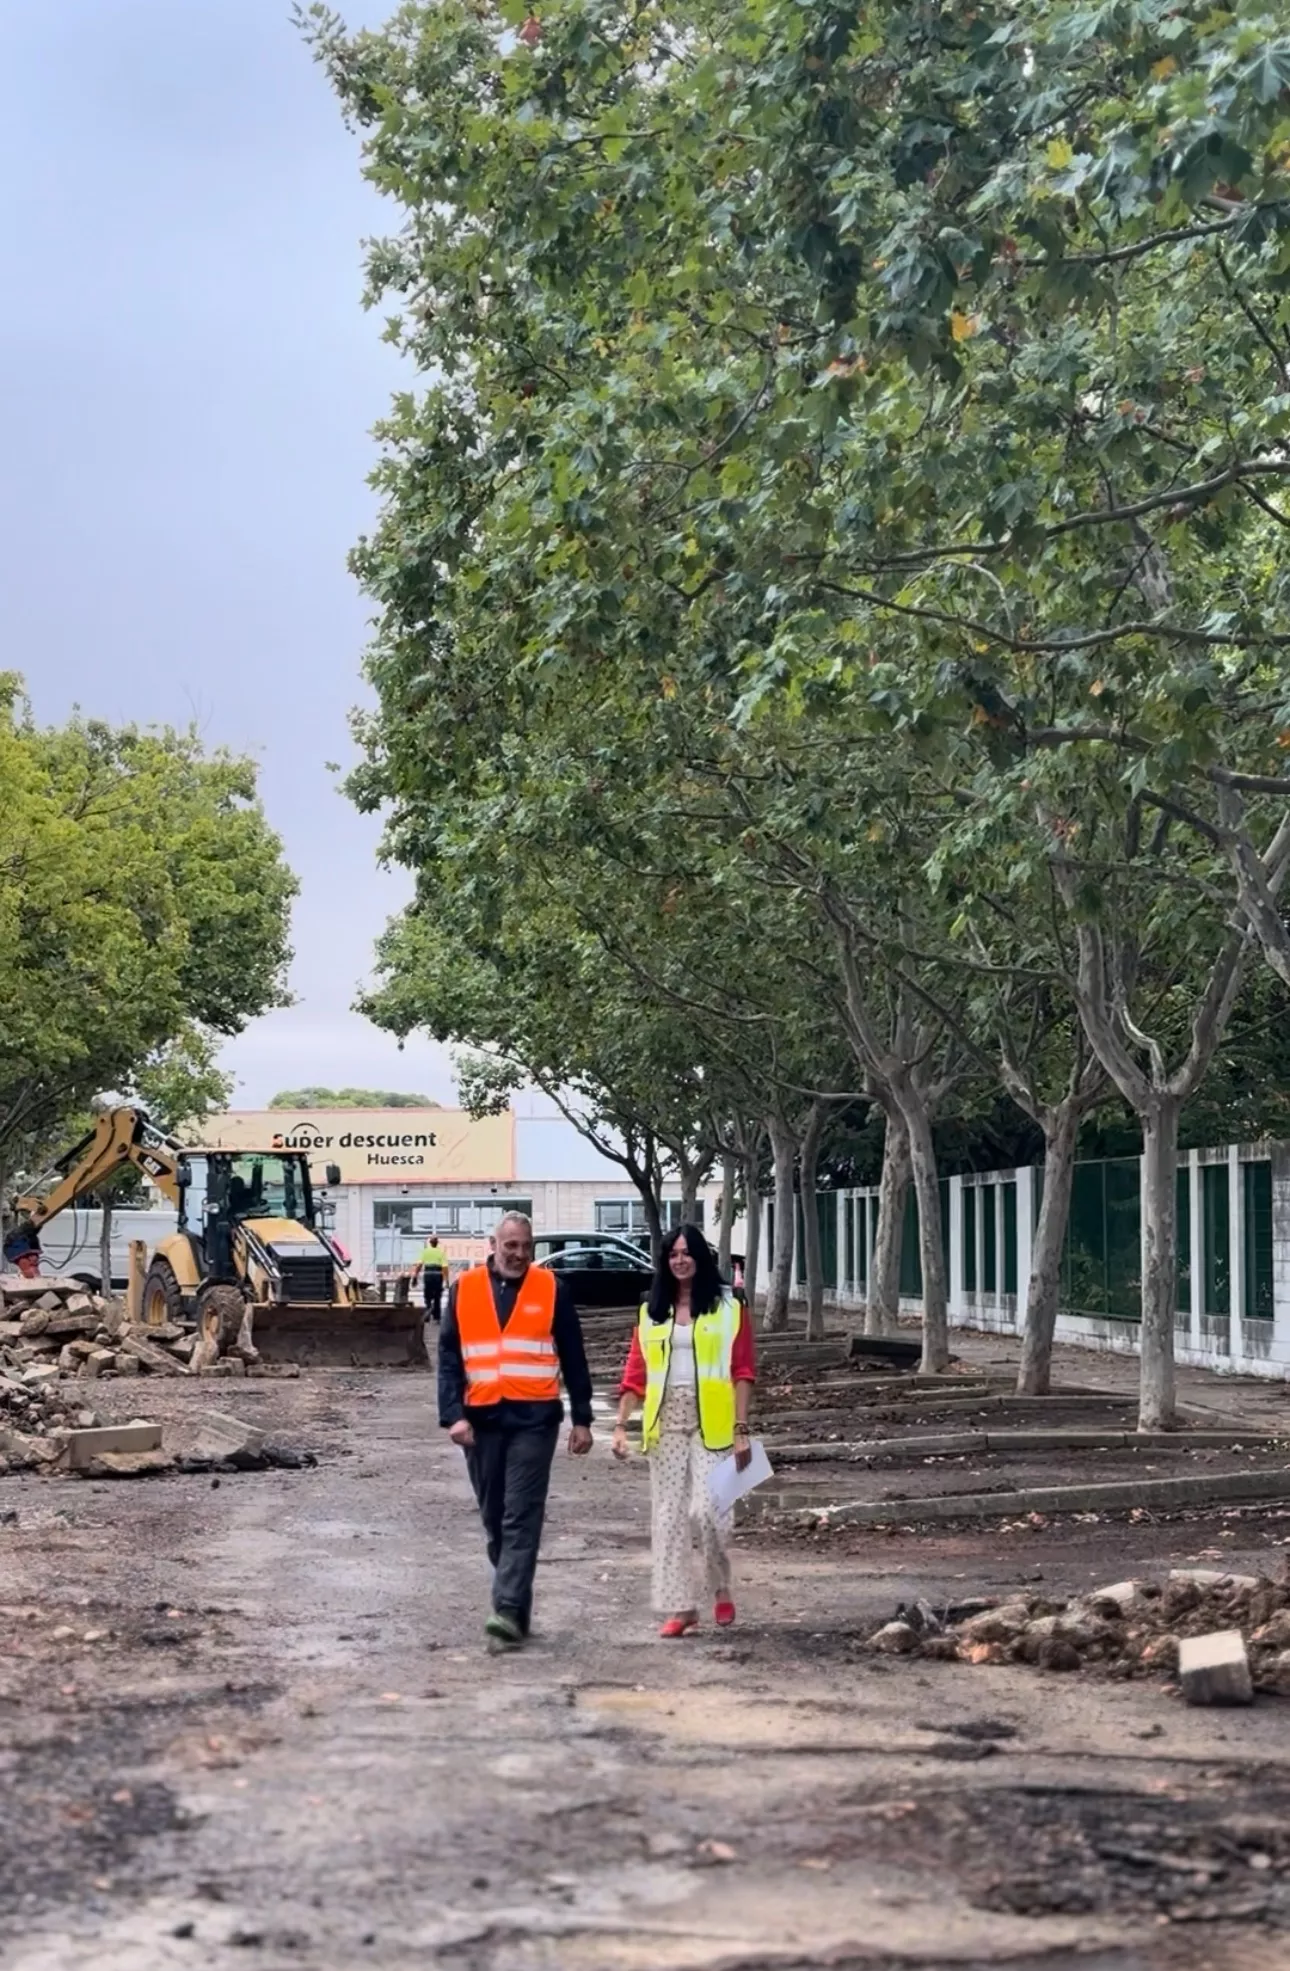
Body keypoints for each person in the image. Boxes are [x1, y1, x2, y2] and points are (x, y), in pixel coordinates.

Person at [438, 1212, 594, 1651]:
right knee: (494, 1518)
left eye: (526, 1246)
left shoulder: (552, 1289)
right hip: (481, 1420)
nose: (520, 1254)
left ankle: (505, 1608)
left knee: (520, 1514)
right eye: (511, 1246)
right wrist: (453, 1416)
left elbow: (574, 1356)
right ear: (493, 1245)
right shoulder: (465, 1288)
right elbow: (449, 1357)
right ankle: (516, 1607)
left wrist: (582, 1418)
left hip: (535, 1420)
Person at [613, 1223, 756, 1637]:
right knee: (669, 1517)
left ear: (700, 1257)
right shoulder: (650, 1309)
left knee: (710, 1512)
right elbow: (636, 1372)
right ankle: (681, 1607)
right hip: (665, 1424)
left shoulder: (730, 1306)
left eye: (687, 1252)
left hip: (714, 1423)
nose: (680, 1260)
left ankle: (721, 1586)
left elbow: (743, 1369)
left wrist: (742, 1428)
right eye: (673, 1254)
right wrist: (621, 1425)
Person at [418, 1232, 450, 1322]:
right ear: (437, 1243)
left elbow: (419, 1265)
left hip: (428, 1276)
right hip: (437, 1277)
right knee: (437, 1296)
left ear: (430, 1243)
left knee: (427, 1295)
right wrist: (447, 1280)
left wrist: (415, 1276)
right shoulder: (441, 1253)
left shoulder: (425, 1252)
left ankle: (428, 1311)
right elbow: (444, 1267)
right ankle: (437, 1316)